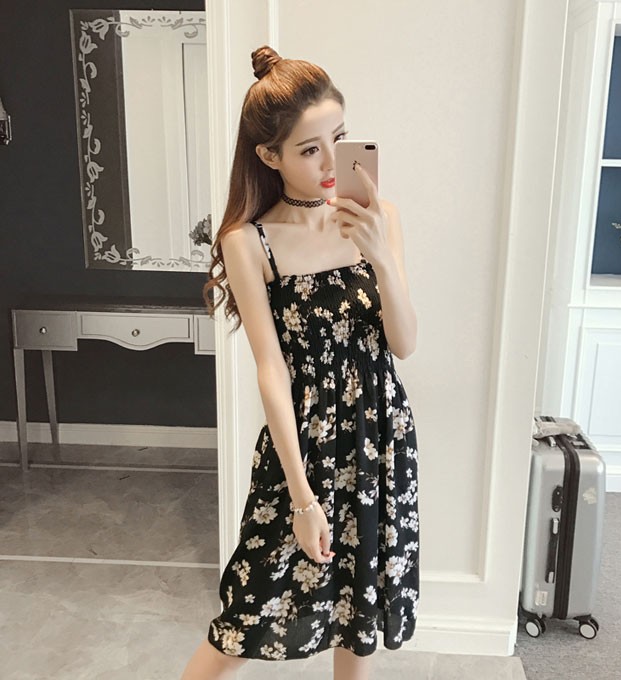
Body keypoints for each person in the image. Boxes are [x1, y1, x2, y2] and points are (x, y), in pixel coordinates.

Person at [181, 45, 419, 680]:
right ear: (270, 157)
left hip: (379, 436)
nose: (331, 162)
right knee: (246, 615)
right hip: (302, 446)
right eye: (310, 149)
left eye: (338, 139)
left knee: (358, 612)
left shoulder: (381, 219)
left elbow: (402, 344)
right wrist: (302, 497)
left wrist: (381, 257)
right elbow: (272, 368)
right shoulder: (248, 242)